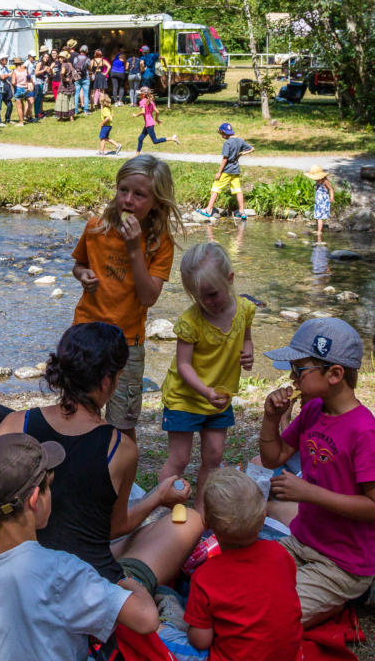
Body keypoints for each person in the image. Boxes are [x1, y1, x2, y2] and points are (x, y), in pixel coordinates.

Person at [0, 323, 203, 594]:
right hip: (87, 581)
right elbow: (114, 528)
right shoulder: (121, 448)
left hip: (26, 570)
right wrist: (157, 498)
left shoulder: (16, 424)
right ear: (107, 381)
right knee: (191, 521)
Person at [0, 431, 160, 661]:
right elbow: (146, 620)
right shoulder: (62, 570)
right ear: (35, 499)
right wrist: (129, 582)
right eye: (50, 487)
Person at [261, 317, 375, 627]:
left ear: (335, 373)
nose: (292, 379)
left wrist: (310, 493)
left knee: (271, 617)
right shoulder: (313, 410)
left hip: (342, 565)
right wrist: (271, 418)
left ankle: (358, 593)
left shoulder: (363, 431)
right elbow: (273, 458)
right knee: (244, 584)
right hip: (302, 542)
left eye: (299, 370)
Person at [158, 468, 304, 661]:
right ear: (264, 515)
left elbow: (201, 640)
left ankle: (167, 607)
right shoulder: (280, 553)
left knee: (155, 636)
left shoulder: (206, 576)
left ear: (207, 525)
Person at [72, 155, 182, 436]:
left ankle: (120, 478)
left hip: (127, 344)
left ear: (157, 201)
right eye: (124, 190)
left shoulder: (160, 243)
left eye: (139, 194)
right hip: (85, 333)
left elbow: (148, 298)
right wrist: (82, 275)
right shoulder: (97, 226)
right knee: (77, 414)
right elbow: (79, 264)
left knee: (122, 425)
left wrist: (135, 249)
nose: (128, 200)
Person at [158, 242, 255, 513]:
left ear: (230, 279)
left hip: (219, 398)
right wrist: (205, 391)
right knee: (179, 459)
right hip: (186, 398)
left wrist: (248, 352)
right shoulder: (191, 322)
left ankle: (201, 512)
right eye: (199, 297)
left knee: (214, 457)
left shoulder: (245, 310)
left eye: (212, 294)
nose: (207, 303)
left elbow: (246, 339)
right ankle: (164, 507)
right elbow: (184, 366)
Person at [197, 122, 254, 220]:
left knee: (215, 188)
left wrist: (219, 172)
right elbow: (252, 149)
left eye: (220, 133)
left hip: (227, 170)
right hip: (236, 170)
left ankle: (208, 209)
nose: (221, 135)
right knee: (238, 190)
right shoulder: (240, 140)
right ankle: (242, 211)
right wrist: (241, 154)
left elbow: (225, 159)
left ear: (223, 132)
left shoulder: (227, 143)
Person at [133, 86, 179, 152]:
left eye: (139, 93)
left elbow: (143, 112)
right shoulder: (151, 102)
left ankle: (172, 138)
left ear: (143, 94)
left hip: (149, 124)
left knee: (155, 141)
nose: (139, 95)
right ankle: (137, 156)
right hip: (149, 123)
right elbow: (157, 111)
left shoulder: (142, 101)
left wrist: (136, 115)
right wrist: (156, 119)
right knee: (140, 139)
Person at [304, 164, 335, 244]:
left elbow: (331, 189)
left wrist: (331, 198)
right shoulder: (317, 181)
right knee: (316, 216)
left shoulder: (325, 181)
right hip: (318, 202)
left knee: (320, 217)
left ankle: (319, 231)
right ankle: (317, 229)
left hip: (323, 202)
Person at [53, 49, 75, 121]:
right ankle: (71, 117)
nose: (59, 59)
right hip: (70, 85)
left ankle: (61, 117)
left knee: (62, 100)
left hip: (64, 85)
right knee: (70, 100)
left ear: (63, 58)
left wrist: (64, 78)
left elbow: (62, 73)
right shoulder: (69, 64)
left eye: (60, 58)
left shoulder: (64, 65)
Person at [10, 57, 30, 127]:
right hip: (25, 88)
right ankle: (23, 118)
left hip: (18, 88)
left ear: (15, 64)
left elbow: (13, 82)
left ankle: (21, 122)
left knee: (19, 107)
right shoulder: (25, 70)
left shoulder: (14, 72)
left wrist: (13, 83)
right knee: (22, 103)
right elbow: (29, 78)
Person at [72, 44, 91, 116]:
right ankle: (85, 111)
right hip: (85, 78)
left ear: (80, 50)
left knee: (76, 94)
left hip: (77, 77)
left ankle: (75, 111)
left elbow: (74, 66)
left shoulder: (75, 58)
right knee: (86, 94)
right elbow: (89, 68)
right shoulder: (87, 59)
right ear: (86, 51)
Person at [0, 55, 13, 127]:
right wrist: (9, 74)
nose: (7, 60)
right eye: (5, 59)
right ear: (1, 60)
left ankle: (7, 119)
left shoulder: (5, 68)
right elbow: (2, 77)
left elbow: (7, 77)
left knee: (10, 105)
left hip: (6, 89)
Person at [34, 47, 50, 119]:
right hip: (38, 83)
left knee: (41, 98)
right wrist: (44, 70)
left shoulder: (45, 64)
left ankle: (40, 112)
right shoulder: (40, 63)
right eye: (45, 57)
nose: (46, 58)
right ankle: (37, 114)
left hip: (43, 82)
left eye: (48, 57)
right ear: (42, 56)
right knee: (37, 99)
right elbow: (36, 73)